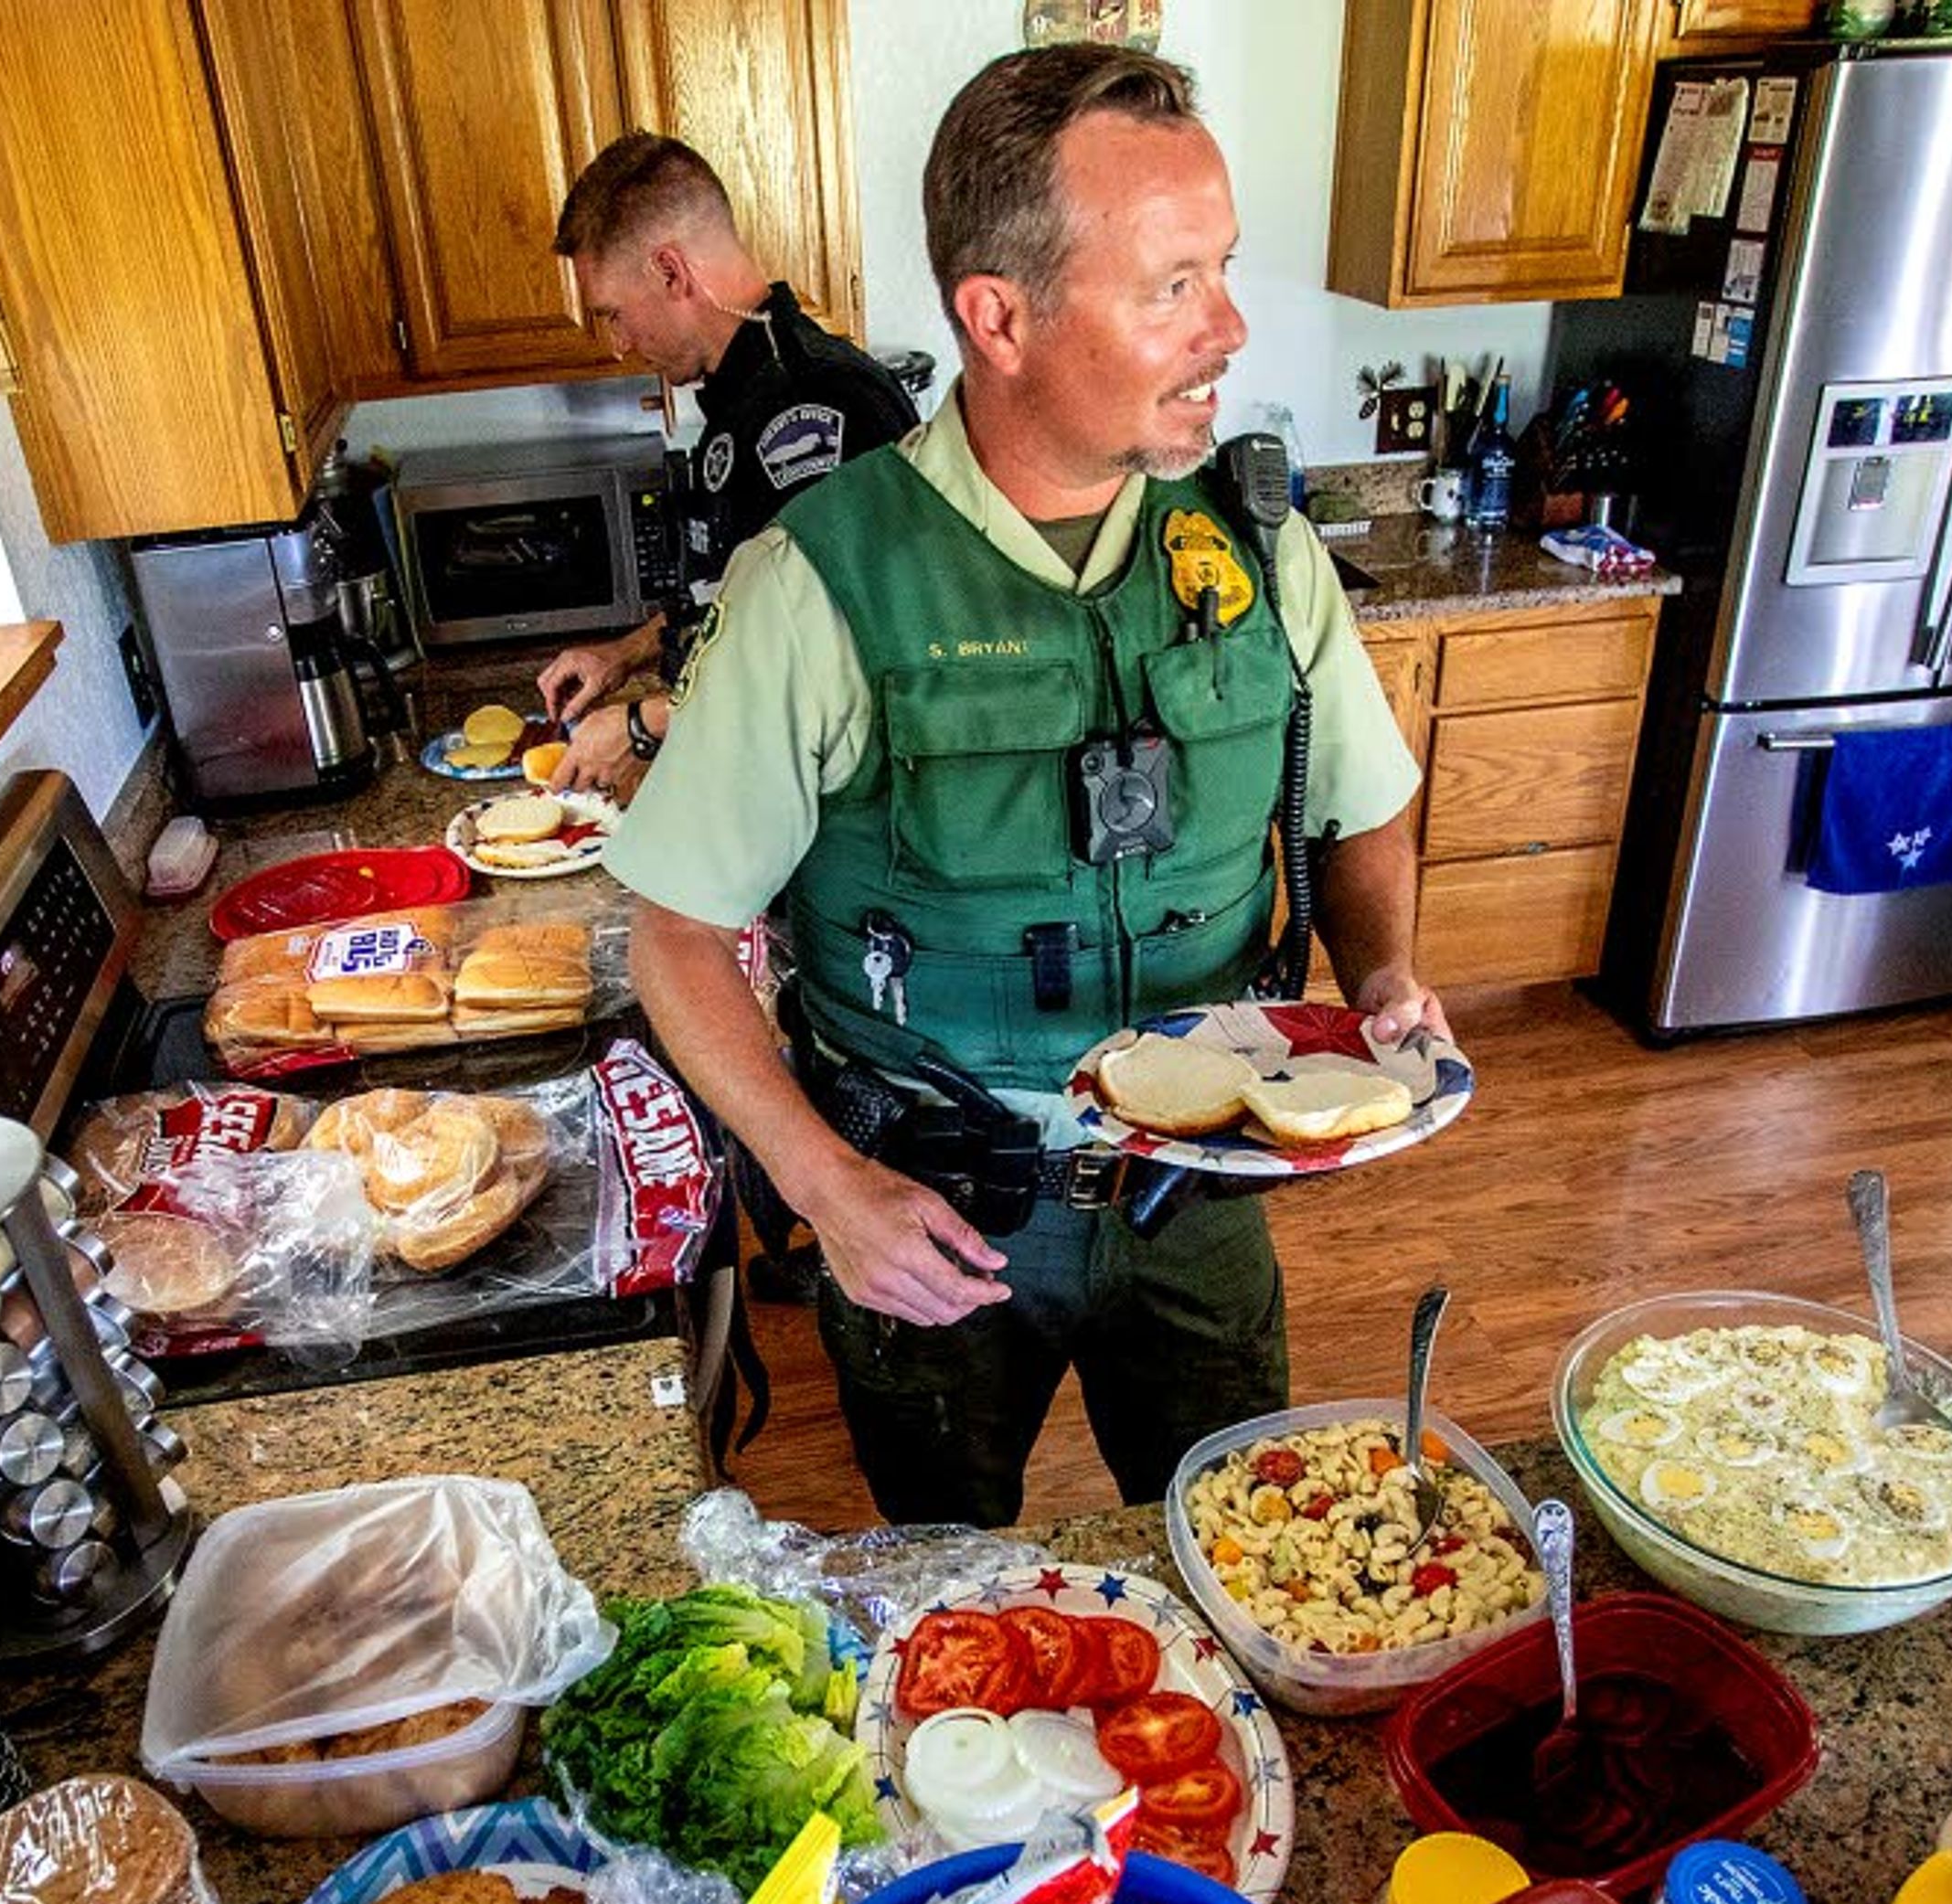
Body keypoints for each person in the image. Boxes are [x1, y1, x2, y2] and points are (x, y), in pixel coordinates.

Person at [600, 44, 1442, 1526]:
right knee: (947, 1589)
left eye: (1221, 271)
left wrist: (1382, 974)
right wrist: (819, 1184)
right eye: (1171, 286)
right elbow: (671, 931)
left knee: (1246, 1545)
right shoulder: (817, 590)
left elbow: (1360, 798)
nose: (1230, 327)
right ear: (999, 317)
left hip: (1205, 1187)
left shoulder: (1260, 550)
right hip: (934, 1206)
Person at [535, 132, 918, 799]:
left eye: (614, 315)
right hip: (758, 783)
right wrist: (623, 656)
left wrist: (644, 727)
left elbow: (842, 663)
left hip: (842, 820)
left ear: (670, 271)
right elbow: (749, 602)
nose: (620, 342)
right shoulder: (743, 396)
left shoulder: (815, 405)